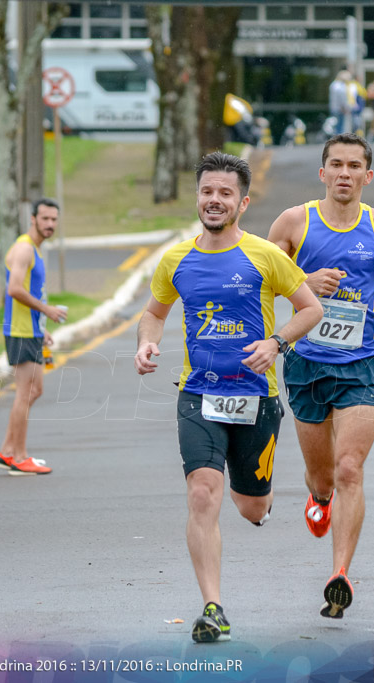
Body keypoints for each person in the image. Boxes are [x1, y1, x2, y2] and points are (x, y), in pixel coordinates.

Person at [134, 152, 322, 642]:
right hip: (198, 393)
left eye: (224, 194)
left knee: (250, 508)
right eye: (206, 192)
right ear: (197, 197)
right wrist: (146, 341)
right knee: (202, 492)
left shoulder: (264, 255)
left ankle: (267, 493)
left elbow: (311, 308)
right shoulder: (176, 259)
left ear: (242, 202)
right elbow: (154, 313)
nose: (214, 201)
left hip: (256, 396)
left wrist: (277, 342)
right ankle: (212, 606)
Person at [268, 133, 374, 619]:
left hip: (363, 363)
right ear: (323, 172)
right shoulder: (294, 221)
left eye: (355, 166)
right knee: (324, 474)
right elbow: (260, 273)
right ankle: (318, 497)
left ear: (367, 176)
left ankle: (339, 575)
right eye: (336, 164)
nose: (345, 173)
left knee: (351, 467)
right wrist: (302, 282)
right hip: (307, 362)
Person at [0, 198, 67, 475]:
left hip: (30, 330)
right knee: (25, 393)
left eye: (54, 219)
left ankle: (7, 451)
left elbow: (27, 292)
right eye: (45, 219)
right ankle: (20, 457)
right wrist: (46, 310)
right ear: (33, 219)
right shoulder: (25, 248)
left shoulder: (34, 249)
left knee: (35, 390)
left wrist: (41, 326)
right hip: (20, 332)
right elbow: (14, 289)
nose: (49, 224)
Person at [329, 70, 352, 135]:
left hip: (334, 108)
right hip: (340, 109)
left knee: (335, 125)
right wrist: (345, 107)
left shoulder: (333, 85)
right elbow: (342, 98)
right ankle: (338, 142)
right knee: (340, 127)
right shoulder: (340, 86)